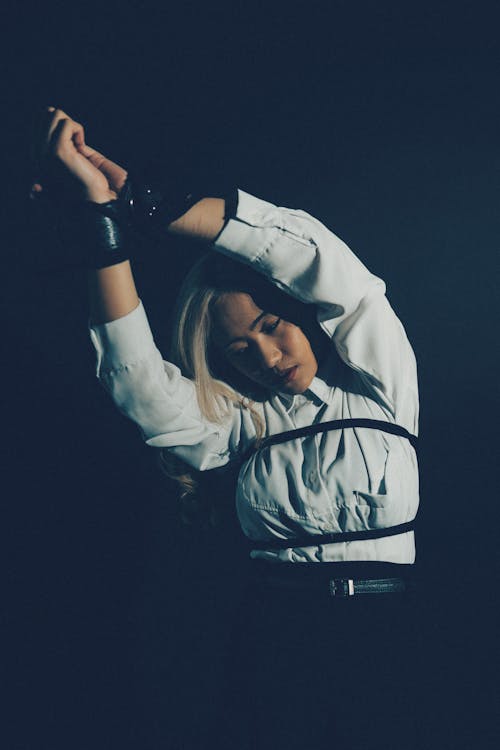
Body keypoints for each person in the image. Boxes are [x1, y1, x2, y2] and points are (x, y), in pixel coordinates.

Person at [32, 106, 423, 749]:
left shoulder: (383, 388)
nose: (267, 359)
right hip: (275, 639)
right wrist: (98, 223)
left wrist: (142, 200)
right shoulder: (238, 426)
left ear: (300, 308)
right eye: (239, 349)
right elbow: (135, 382)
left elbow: (320, 260)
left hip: (388, 638)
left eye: (270, 327)